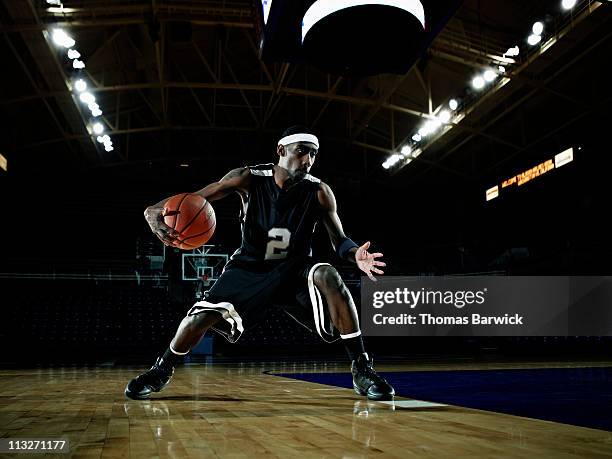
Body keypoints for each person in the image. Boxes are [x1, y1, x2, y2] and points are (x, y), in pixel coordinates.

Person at [125, 126, 395, 401]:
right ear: (281, 150)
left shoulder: (319, 191)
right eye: (302, 151)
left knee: (327, 273)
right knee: (198, 320)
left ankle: (362, 369)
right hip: (249, 267)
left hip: (294, 270)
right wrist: (155, 209)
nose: (308, 160)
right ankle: (161, 369)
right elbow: (193, 201)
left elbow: (339, 240)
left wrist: (355, 255)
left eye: (313, 154)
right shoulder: (248, 177)